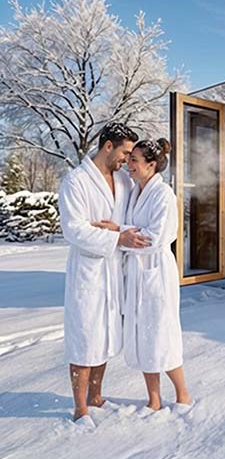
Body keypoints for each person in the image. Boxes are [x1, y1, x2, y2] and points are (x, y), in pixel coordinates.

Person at [58, 122, 148, 428]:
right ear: (107, 146)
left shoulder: (123, 181)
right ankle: (80, 407)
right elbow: (75, 229)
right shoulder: (76, 181)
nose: (126, 159)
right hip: (88, 270)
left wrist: (116, 231)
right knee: (84, 336)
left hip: (113, 270)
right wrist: (116, 238)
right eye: (124, 151)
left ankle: (97, 396)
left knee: (106, 334)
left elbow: (126, 220)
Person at [118, 138, 192, 412]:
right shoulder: (135, 191)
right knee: (143, 334)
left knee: (162, 333)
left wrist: (118, 231)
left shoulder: (164, 195)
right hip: (138, 272)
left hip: (156, 272)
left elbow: (154, 237)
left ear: (151, 165)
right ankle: (154, 399)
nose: (129, 164)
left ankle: (183, 394)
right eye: (129, 159)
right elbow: (134, 234)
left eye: (134, 160)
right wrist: (123, 233)